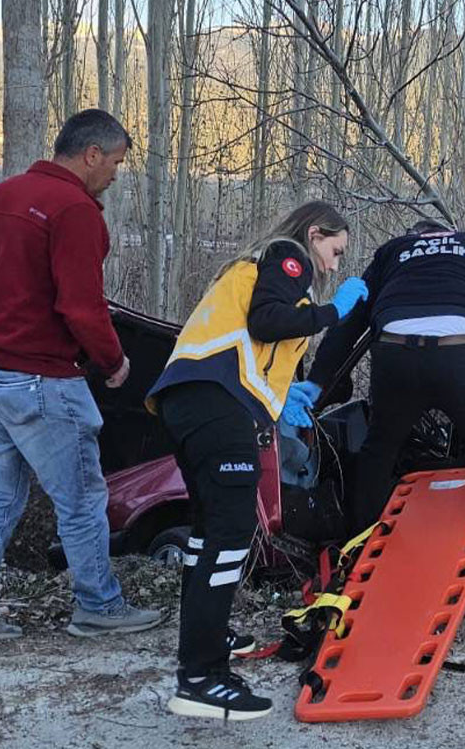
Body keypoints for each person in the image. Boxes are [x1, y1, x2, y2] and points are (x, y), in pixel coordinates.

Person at [0, 109, 163, 651]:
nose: (115, 174)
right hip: (38, 379)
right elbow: (82, 306)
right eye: (115, 162)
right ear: (91, 155)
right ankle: (98, 605)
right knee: (84, 496)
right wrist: (114, 363)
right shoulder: (74, 210)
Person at [146, 201, 367, 721]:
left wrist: (289, 391)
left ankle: (210, 633)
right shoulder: (287, 257)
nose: (334, 265)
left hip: (191, 402)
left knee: (208, 534)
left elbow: (265, 340)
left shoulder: (262, 270)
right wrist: (337, 311)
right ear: (315, 235)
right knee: (230, 535)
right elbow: (268, 322)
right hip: (217, 403)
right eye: (334, 251)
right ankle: (201, 678)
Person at [304, 219, 465, 605]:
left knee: (378, 453)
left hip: (395, 354)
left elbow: (352, 322)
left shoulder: (394, 252)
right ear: (449, 234)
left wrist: (317, 384)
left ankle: (358, 565)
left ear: (415, 237)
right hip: (462, 352)